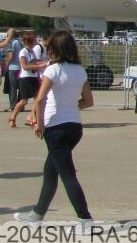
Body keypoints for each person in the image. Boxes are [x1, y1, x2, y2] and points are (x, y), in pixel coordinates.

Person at [14, 30, 94, 226]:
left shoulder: (53, 70)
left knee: (67, 174)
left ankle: (85, 219)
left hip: (55, 127)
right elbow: (88, 101)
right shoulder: (79, 70)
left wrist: (39, 124)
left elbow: (40, 99)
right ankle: (37, 214)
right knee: (51, 170)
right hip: (74, 126)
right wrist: (70, 106)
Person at [10, 31, 48, 128]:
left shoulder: (32, 52)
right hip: (25, 78)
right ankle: (13, 117)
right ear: (30, 41)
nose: (36, 41)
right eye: (34, 40)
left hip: (34, 78)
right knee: (24, 101)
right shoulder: (23, 52)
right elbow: (25, 66)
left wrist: (45, 63)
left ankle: (33, 118)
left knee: (37, 99)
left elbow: (35, 63)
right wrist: (41, 65)